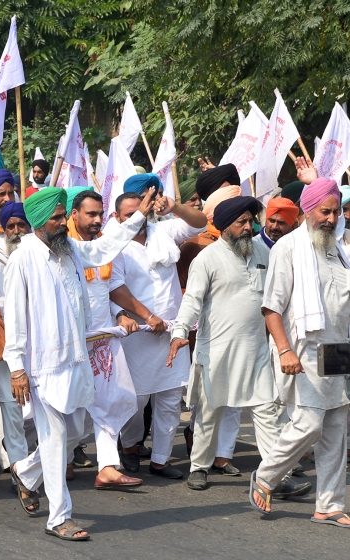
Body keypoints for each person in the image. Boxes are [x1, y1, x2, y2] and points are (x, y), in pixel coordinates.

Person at [6, 187, 153, 540]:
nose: (62, 223)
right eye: (56, 218)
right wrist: (16, 368)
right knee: (56, 437)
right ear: (40, 222)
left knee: (75, 432)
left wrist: (136, 218)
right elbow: (14, 318)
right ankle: (59, 518)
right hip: (40, 366)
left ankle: (26, 473)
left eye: (62, 216)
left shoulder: (69, 249)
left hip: (75, 359)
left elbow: (102, 248)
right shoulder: (22, 259)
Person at [251, 177, 350, 528]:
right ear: (307, 211)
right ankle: (265, 476)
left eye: (336, 211)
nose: (331, 218)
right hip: (304, 352)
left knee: (336, 430)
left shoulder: (338, 250)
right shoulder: (288, 248)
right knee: (308, 423)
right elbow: (271, 307)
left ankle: (329, 505)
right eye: (325, 211)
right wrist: (284, 351)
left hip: (340, 353)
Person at [168, 197, 286, 492]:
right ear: (224, 226)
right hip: (217, 350)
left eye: (250, 221)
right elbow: (192, 301)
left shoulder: (263, 252)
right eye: (241, 222)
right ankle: (199, 467)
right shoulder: (206, 259)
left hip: (256, 350)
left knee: (267, 411)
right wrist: (180, 332)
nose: (249, 227)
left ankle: (275, 475)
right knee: (209, 412)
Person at [111, 174, 208, 479]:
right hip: (137, 334)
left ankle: (161, 460)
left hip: (172, 331)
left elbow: (200, 223)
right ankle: (128, 447)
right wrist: (139, 316)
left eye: (142, 209)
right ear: (117, 216)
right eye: (130, 214)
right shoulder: (111, 243)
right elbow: (113, 288)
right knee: (135, 399)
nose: (137, 217)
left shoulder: (162, 230)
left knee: (169, 398)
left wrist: (174, 206)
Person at [65, 188, 144, 491]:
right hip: (73, 342)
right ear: (74, 215)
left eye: (100, 214)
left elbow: (104, 292)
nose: (98, 220)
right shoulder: (66, 249)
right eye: (91, 214)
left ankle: (107, 466)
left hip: (103, 338)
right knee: (70, 407)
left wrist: (121, 313)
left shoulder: (102, 249)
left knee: (111, 400)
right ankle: (59, 458)